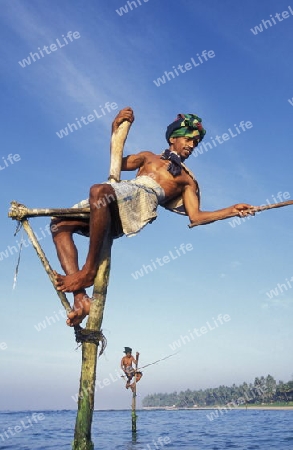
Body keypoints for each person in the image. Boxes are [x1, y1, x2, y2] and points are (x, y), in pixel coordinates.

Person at [52, 107, 254, 326]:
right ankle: (81, 299)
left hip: (140, 200)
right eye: (188, 140)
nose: (192, 146)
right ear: (174, 138)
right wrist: (115, 129)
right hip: (120, 194)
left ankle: (88, 271)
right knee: (59, 223)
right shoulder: (148, 157)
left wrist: (231, 210)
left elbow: (195, 217)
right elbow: (117, 162)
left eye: (195, 143)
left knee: (98, 191)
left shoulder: (186, 179)